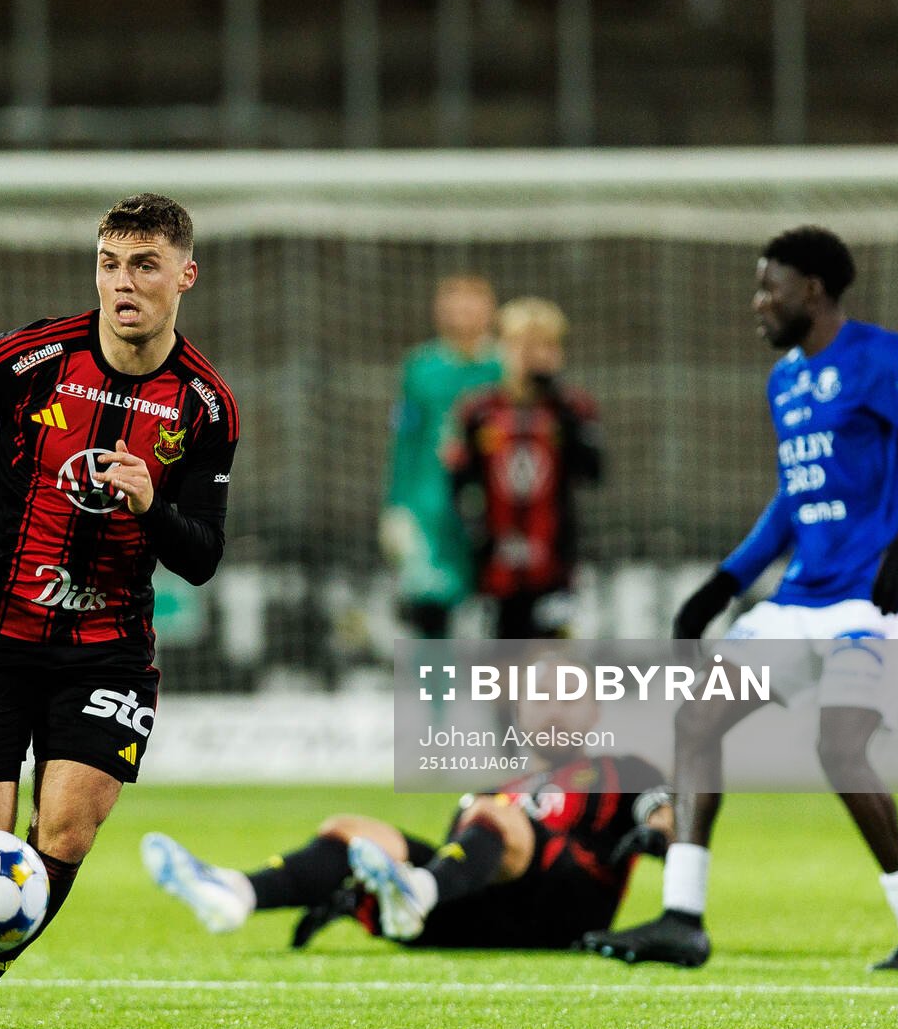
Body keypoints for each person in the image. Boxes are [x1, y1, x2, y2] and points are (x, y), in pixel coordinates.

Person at [0, 194, 238, 1029]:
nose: (125, 283)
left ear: (184, 276)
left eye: (145, 265)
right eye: (111, 263)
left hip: (106, 651)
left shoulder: (205, 406)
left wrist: (152, 507)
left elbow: (201, 557)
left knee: (66, 830)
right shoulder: (37, 355)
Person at [581, 226, 898, 971]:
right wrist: (726, 580)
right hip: (798, 602)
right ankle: (682, 916)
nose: (757, 302)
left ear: (814, 291)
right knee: (696, 720)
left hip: (872, 605)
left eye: (770, 287)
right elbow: (793, 499)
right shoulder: (786, 381)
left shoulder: (877, 356)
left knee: (840, 747)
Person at [143, 670, 670, 950]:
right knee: (351, 831)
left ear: (595, 708)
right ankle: (237, 892)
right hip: (479, 914)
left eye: (569, 693)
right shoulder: (500, 788)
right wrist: (352, 899)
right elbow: (460, 855)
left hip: (561, 911)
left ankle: (414, 894)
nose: (554, 704)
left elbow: (667, 813)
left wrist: (659, 831)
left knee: (494, 817)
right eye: (542, 692)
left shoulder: (619, 769)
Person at [445, 298, 601, 638]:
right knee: (505, 678)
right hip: (496, 567)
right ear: (503, 348)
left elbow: (593, 472)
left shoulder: (571, 407)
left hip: (554, 564)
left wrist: (562, 410)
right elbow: (458, 481)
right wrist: (475, 534)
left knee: (552, 676)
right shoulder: (478, 410)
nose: (534, 356)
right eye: (523, 345)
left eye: (545, 345)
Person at [381, 275, 502, 637]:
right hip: (430, 508)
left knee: (500, 614)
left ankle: (505, 693)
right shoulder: (420, 368)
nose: (462, 312)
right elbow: (406, 441)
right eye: (453, 303)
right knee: (429, 608)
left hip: (492, 507)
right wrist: (397, 506)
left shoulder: (505, 367)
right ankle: (435, 694)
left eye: (472, 302)